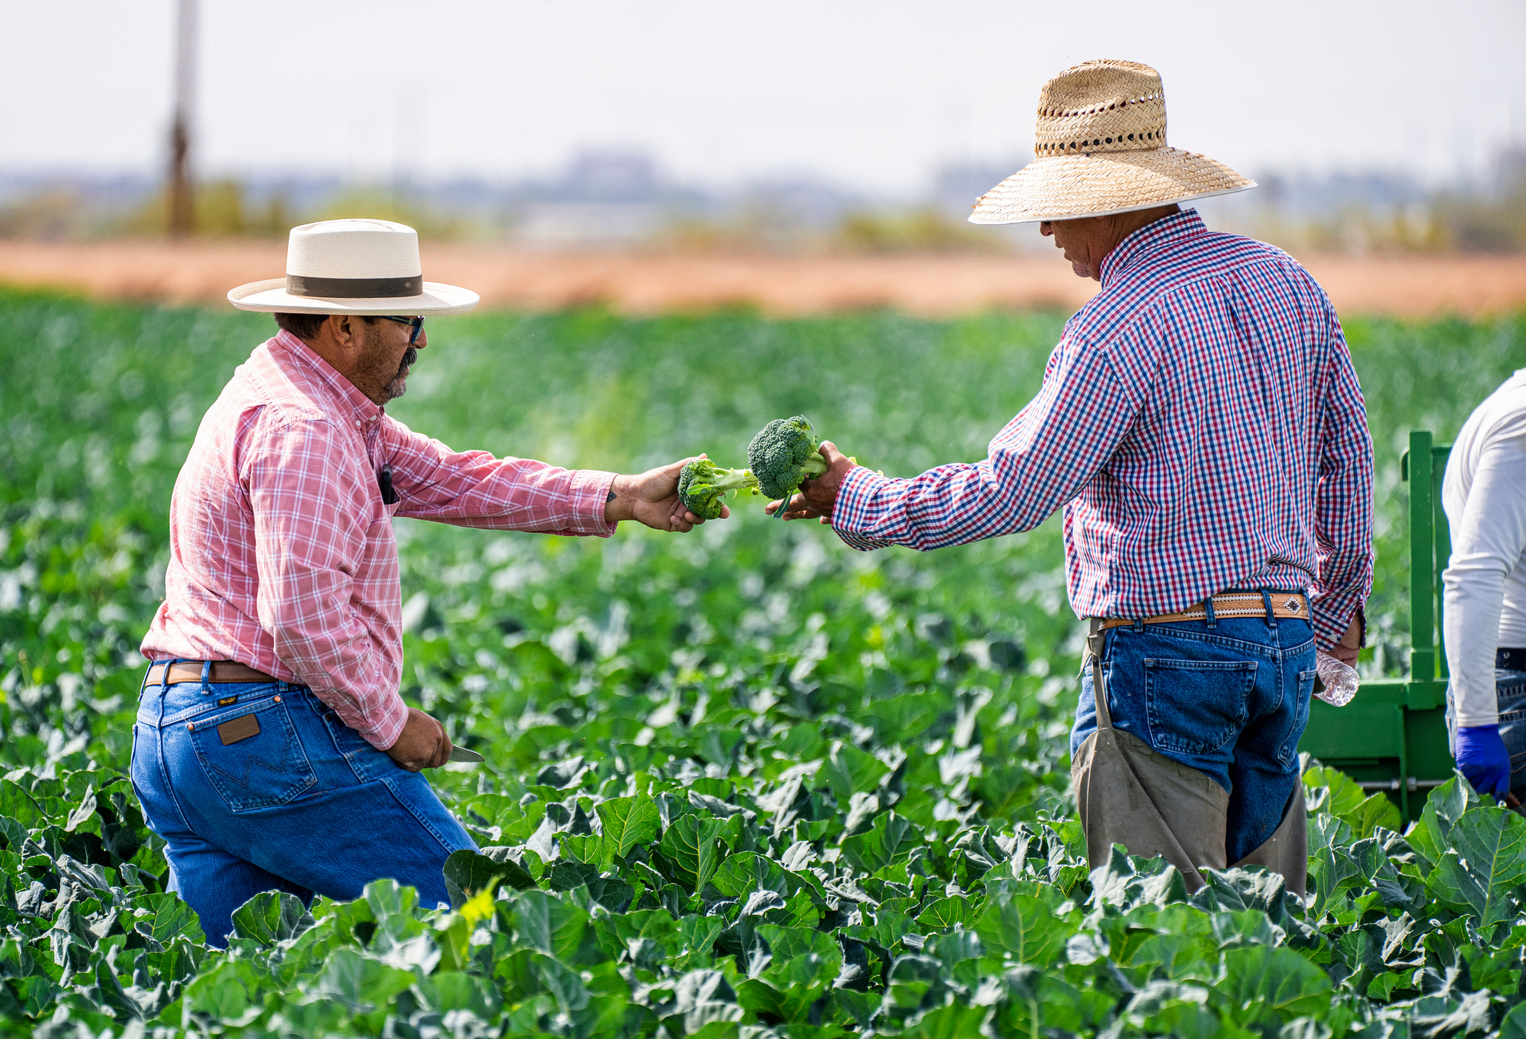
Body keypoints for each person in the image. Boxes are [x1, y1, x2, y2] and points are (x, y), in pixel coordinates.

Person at [773, 60, 1372, 892]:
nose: (1049, 231)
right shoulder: (1286, 283)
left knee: (1163, 943)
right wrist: (1336, 609)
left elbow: (1012, 490)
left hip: (1167, 650)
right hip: (1285, 643)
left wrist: (861, 500)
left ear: (1110, 198)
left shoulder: (1115, 327)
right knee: (1273, 931)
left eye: (1059, 207)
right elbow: (1347, 460)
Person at [131, 219, 719, 945]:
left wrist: (624, 496)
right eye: (409, 319)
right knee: (486, 930)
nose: (423, 338)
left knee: (249, 982)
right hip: (261, 735)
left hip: (179, 738)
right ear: (346, 327)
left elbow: (456, 478)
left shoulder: (297, 397)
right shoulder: (305, 429)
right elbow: (303, 619)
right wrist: (390, 723)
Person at [1443, 368, 1526, 804]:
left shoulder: (1507, 401)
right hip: (1516, 688)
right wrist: (1477, 722)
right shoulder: (1522, 420)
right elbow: (1474, 574)